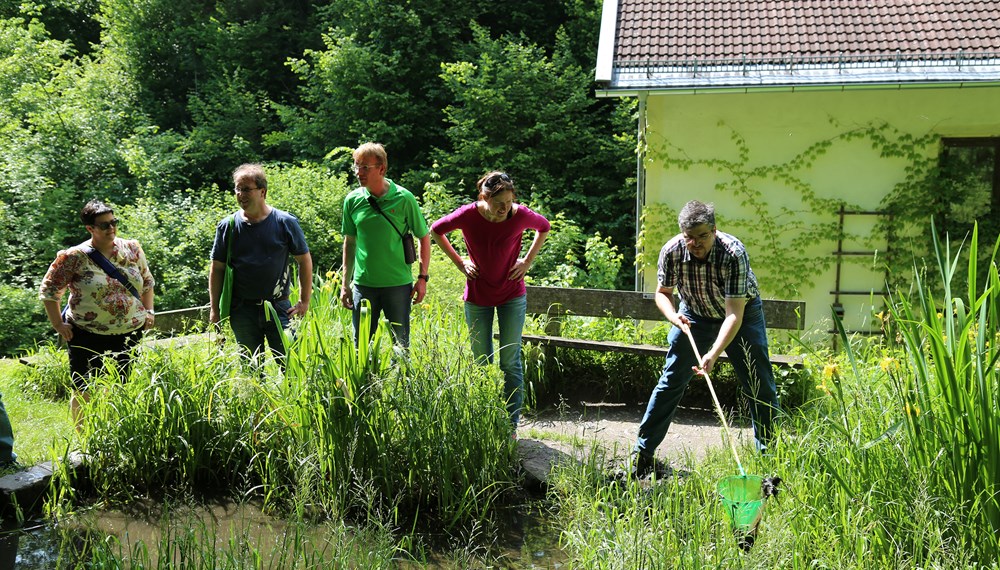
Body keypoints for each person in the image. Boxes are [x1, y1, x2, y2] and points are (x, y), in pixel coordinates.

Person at [631, 200, 779, 478]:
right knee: (671, 380)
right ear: (682, 233)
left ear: (714, 229)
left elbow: (733, 314)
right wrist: (674, 317)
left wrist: (713, 353)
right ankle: (642, 454)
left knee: (758, 383)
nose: (696, 243)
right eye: (689, 237)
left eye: (702, 236)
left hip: (742, 315)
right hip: (693, 315)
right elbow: (663, 292)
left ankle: (769, 459)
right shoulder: (672, 251)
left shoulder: (733, 253)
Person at [431, 171, 550, 428]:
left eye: (508, 202)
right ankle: (484, 423)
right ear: (484, 198)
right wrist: (460, 262)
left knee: (510, 360)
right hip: (477, 296)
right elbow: (436, 230)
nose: (504, 209)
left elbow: (544, 227)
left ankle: (510, 426)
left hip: (511, 295)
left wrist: (527, 261)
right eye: (498, 204)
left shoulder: (520, 215)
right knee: (481, 362)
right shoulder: (468, 215)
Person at [39, 200, 156, 427]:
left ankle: (116, 432)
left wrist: (149, 310)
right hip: (86, 333)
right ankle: (85, 440)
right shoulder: (74, 257)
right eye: (104, 225)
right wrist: (58, 325)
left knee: (121, 386)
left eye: (114, 222)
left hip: (128, 332)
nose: (111, 228)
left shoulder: (132, 248)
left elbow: (147, 282)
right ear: (90, 228)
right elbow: (49, 292)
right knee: (83, 388)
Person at [209, 164, 313, 361]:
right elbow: (217, 268)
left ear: (262, 191)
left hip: (279, 307)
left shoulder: (284, 222)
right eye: (237, 189)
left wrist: (304, 301)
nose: (241, 194)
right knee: (250, 368)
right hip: (242, 311)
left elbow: (304, 260)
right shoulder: (227, 227)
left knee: (292, 365)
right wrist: (215, 309)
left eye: (246, 189)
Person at [340, 143, 430, 348]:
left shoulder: (404, 198)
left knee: (400, 345)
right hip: (364, 285)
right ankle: (364, 381)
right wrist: (345, 284)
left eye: (365, 167)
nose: (358, 173)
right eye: (356, 166)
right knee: (360, 345)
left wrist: (422, 277)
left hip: (398, 285)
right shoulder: (352, 200)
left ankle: (400, 380)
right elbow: (350, 242)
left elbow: (424, 237)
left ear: (381, 169)